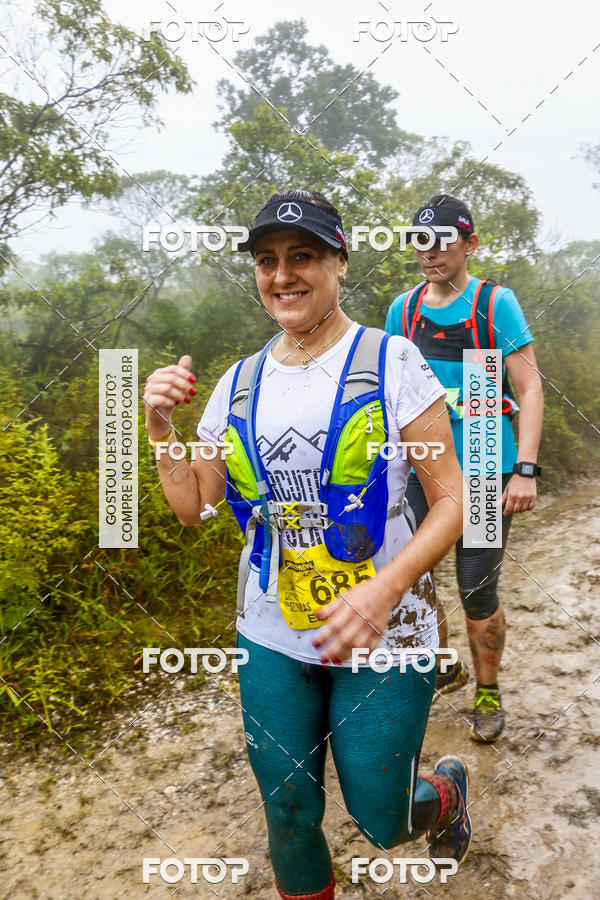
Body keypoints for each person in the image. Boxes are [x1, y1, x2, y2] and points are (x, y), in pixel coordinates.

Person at [144, 189, 472, 899]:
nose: (282, 275)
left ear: (340, 262)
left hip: (385, 629)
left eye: (303, 257)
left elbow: (452, 501)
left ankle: (444, 793)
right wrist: (161, 430)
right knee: (289, 813)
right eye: (267, 261)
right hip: (269, 628)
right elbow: (191, 505)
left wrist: (383, 592)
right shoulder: (237, 382)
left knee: (381, 819)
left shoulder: (394, 361)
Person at [385, 194, 544, 743]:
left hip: (480, 460)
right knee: (415, 580)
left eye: (442, 241)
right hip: (422, 468)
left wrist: (524, 469)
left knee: (476, 584)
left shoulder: (493, 304)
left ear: (469, 244)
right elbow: (395, 397)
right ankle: (443, 666)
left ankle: (488, 690)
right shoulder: (402, 310)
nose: (429, 253)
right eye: (420, 242)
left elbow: (527, 384)